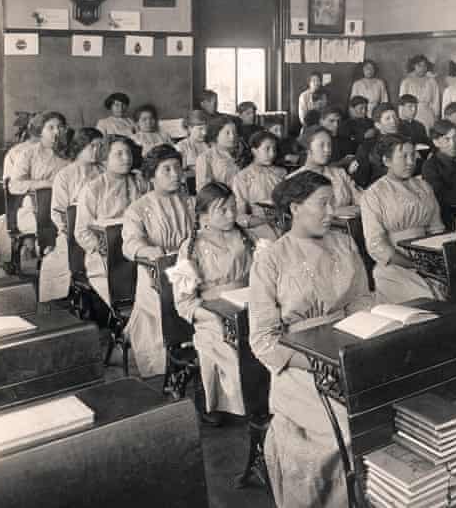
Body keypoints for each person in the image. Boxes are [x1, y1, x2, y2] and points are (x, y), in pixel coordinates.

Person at [249, 170, 375, 507]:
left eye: (333, 203)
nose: (332, 212)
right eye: (323, 204)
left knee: (387, 420)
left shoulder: (344, 243)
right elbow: (263, 340)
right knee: (347, 435)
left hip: (350, 347)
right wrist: (321, 361)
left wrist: (357, 339)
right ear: (294, 208)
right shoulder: (271, 260)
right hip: (300, 367)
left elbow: (362, 298)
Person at [171, 182, 250, 425]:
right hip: (211, 313)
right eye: (222, 210)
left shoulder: (246, 237)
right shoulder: (189, 247)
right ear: (203, 215)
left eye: (233, 208)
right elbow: (183, 302)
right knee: (227, 344)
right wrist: (213, 316)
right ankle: (227, 404)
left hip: (248, 304)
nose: (231, 215)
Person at [122, 144, 195, 377]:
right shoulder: (138, 208)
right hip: (158, 273)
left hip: (191, 268)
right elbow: (129, 244)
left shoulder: (190, 202)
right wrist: (148, 250)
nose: (175, 174)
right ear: (151, 176)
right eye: (166, 170)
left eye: (178, 168)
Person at [361, 135, 445, 304]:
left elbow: (437, 230)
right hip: (393, 266)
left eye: (413, 155)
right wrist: (413, 264)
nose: (410, 162)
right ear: (386, 160)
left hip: (428, 262)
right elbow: (376, 245)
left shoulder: (424, 187)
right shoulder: (374, 194)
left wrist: (436, 263)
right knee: (429, 302)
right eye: (403, 156)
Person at [76, 135, 148, 307]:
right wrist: (100, 246)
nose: (126, 158)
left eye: (128, 153)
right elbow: (81, 231)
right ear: (104, 160)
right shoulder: (93, 189)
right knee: (115, 290)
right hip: (106, 255)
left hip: (138, 248)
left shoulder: (139, 182)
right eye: (119, 154)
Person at [38, 127, 104, 302]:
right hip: (73, 233)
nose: (97, 151)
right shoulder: (65, 176)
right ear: (80, 147)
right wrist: (68, 231)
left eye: (100, 146)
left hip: (101, 228)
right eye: (92, 146)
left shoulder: (103, 172)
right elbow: (57, 211)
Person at [0, 111, 71, 271]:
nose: (56, 132)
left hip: (62, 204)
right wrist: (45, 183)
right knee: (44, 202)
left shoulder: (67, 155)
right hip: (32, 207)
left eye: (60, 127)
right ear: (41, 131)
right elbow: (14, 185)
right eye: (50, 128)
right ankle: (47, 255)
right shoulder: (28, 153)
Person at [288, 126, 363, 215]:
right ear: (308, 148)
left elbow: (363, 201)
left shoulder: (340, 173)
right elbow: (300, 214)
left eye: (329, 145)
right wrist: (335, 212)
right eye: (321, 145)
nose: (327, 150)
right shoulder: (294, 179)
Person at [232, 130, 288, 240]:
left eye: (274, 149)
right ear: (254, 151)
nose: (272, 154)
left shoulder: (282, 173)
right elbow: (239, 216)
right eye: (267, 149)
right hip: (258, 230)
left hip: (284, 224)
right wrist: (265, 221)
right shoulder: (242, 177)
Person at [354, 103, 399, 188]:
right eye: (388, 118)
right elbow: (362, 180)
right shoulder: (367, 146)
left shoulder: (405, 142)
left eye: (395, 117)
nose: (393, 121)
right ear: (378, 125)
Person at [196, 117, 245, 192]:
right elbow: (204, 189)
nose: (232, 137)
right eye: (227, 133)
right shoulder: (205, 158)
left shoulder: (241, 154)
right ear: (216, 134)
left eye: (234, 132)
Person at [399, 54, 440, 130]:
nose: (422, 68)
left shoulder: (432, 82)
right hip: (411, 115)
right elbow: (402, 103)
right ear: (413, 66)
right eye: (419, 66)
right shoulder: (406, 82)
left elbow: (436, 102)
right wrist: (402, 118)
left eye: (424, 66)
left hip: (428, 115)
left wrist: (436, 117)